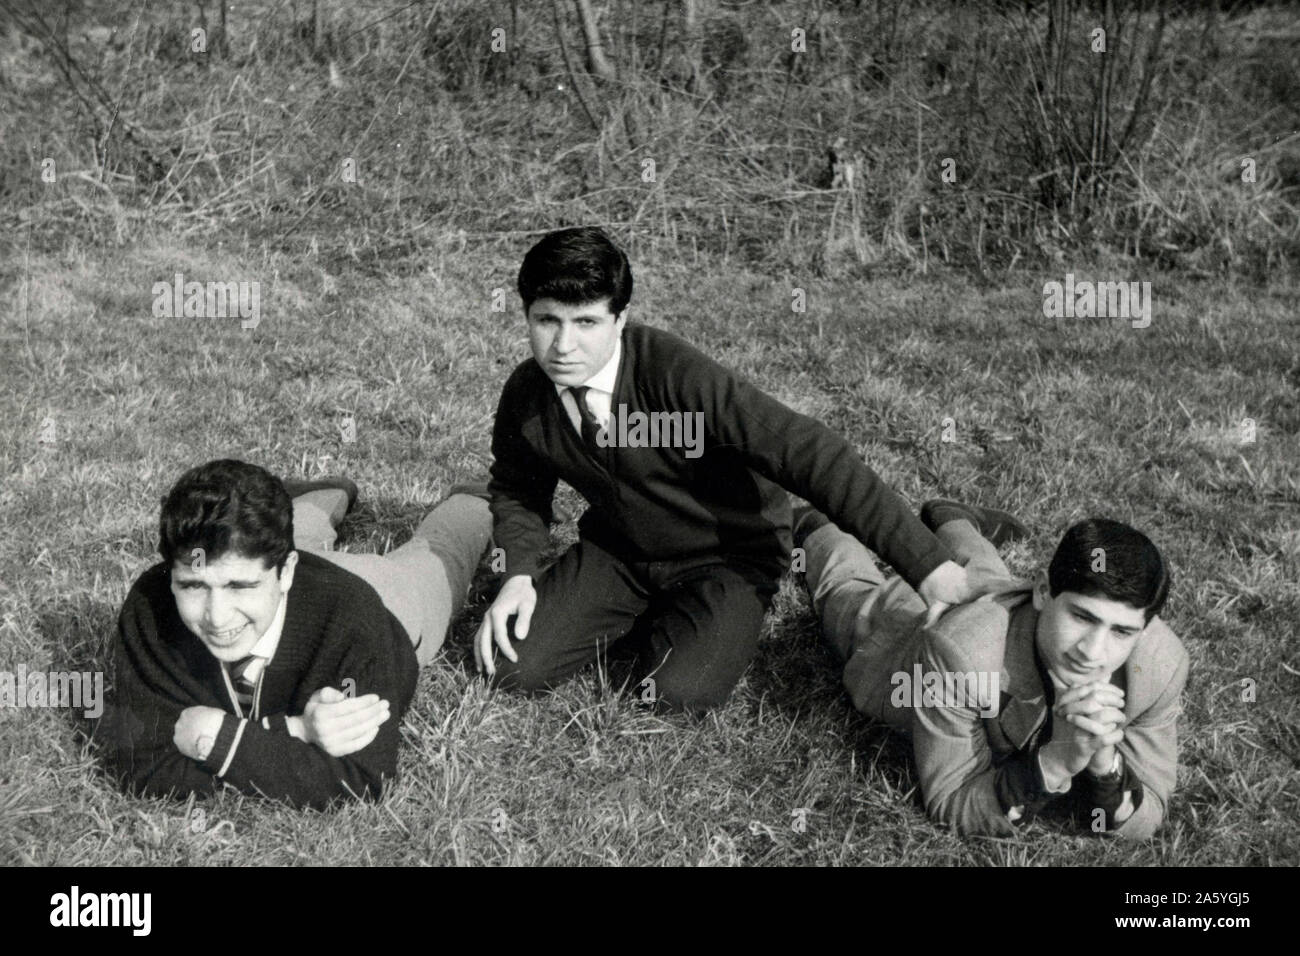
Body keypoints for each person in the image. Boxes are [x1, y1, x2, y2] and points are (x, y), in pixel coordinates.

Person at [475, 226, 986, 712]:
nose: (563, 346)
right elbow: (518, 487)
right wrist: (518, 575)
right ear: (527, 316)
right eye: (547, 321)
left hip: (725, 553)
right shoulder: (527, 393)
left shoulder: (671, 373)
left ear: (620, 318)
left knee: (678, 694)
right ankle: (644, 611)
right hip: (620, 549)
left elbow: (809, 452)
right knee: (511, 668)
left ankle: (805, 529)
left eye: (585, 322)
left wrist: (930, 567)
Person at [96, 459, 491, 809]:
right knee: (257, 550)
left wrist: (219, 740)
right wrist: (296, 730)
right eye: (193, 586)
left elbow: (361, 779)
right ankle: (321, 495)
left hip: (385, 598)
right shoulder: (152, 603)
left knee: (437, 555)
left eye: (239, 588)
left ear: (286, 573)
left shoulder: (357, 620)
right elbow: (139, 762)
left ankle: (473, 503)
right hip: (286, 582)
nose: (216, 618)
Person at [796, 497, 1188, 838]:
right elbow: (952, 801)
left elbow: (1147, 815)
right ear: (1043, 592)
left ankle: (950, 517)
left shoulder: (1158, 667)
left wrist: (1105, 765)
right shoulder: (963, 653)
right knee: (851, 594)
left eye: (1121, 631)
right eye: (1082, 618)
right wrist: (1054, 763)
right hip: (904, 652)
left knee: (986, 576)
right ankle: (816, 524)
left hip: (1008, 610)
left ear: (1146, 628)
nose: (1094, 651)